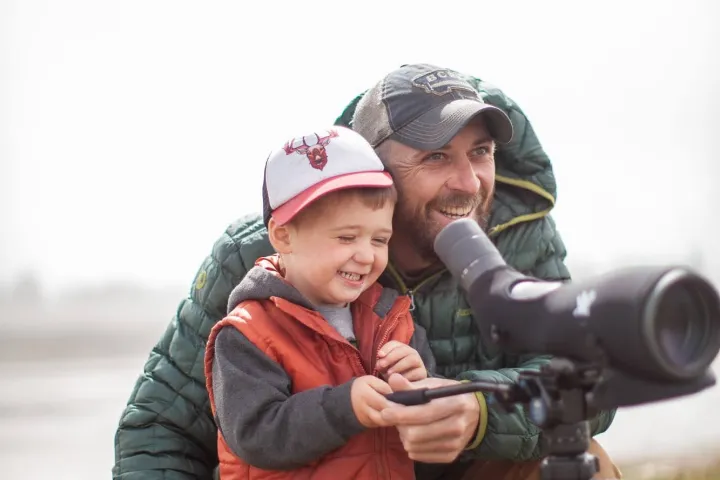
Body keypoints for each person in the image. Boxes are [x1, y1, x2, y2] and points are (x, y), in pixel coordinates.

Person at [112, 63, 621, 480]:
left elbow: (587, 381)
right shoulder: (259, 253)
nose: (468, 183)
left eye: (481, 152)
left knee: (582, 460)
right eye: (437, 156)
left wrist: (480, 411)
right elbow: (158, 428)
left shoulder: (521, 236)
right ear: (374, 170)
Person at [204, 125, 436, 479]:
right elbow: (255, 435)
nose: (365, 255)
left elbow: (430, 434)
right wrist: (345, 407)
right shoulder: (248, 334)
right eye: (346, 237)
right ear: (283, 236)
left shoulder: (395, 322)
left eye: (379, 239)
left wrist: (421, 386)